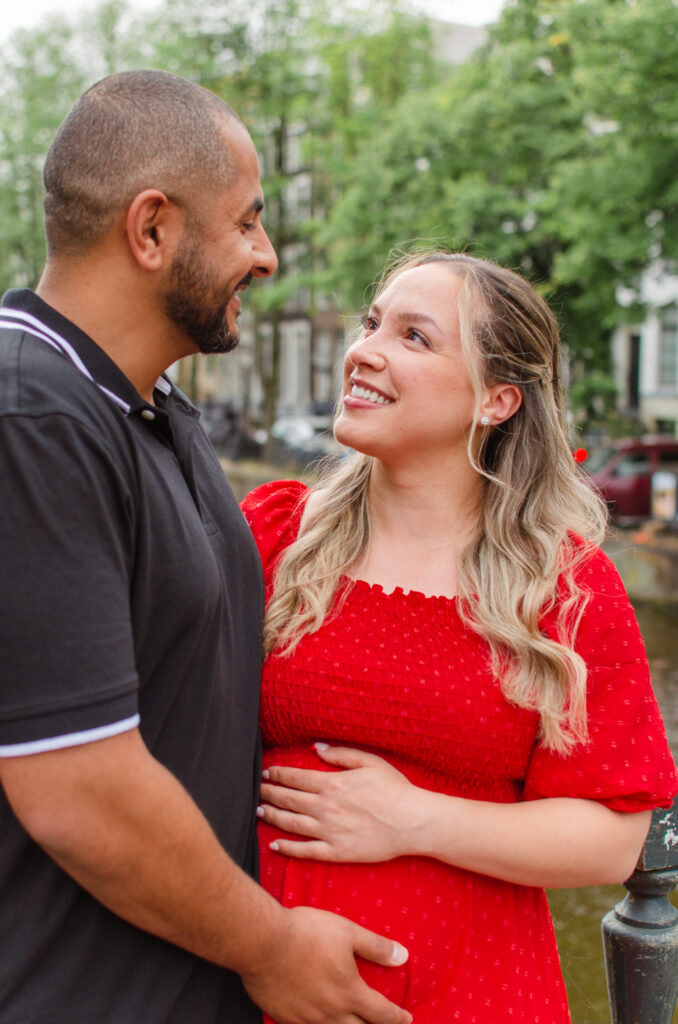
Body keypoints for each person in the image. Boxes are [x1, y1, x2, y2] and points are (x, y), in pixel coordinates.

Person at [0, 70, 413, 1024]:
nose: (266, 257)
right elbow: (77, 788)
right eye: (246, 223)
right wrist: (272, 947)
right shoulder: (31, 418)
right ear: (151, 230)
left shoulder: (157, 409)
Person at [242, 250, 678, 1023]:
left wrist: (415, 820)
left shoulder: (566, 590)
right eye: (373, 323)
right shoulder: (276, 535)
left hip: (474, 992)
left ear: (497, 399)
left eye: (415, 337)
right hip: (264, 978)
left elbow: (613, 837)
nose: (366, 349)